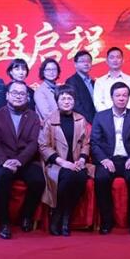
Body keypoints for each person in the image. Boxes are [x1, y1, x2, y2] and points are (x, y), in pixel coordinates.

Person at [0, 80, 45, 240]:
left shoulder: (33, 116)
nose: (18, 96)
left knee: (38, 180)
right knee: (1, 177)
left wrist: (19, 161)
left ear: (27, 97)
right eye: (15, 93)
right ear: (7, 95)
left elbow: (33, 143)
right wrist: (3, 161)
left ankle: (26, 215)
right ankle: (3, 221)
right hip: (4, 160)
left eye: (22, 93)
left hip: (26, 160)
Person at [91, 82, 130, 235]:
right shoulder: (100, 117)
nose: (121, 98)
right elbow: (95, 143)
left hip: (128, 159)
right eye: (118, 95)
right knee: (101, 178)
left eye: (124, 95)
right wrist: (104, 160)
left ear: (128, 98)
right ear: (112, 97)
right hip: (108, 159)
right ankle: (106, 221)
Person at [39, 85, 91, 236]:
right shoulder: (50, 120)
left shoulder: (81, 119)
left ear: (74, 101)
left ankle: (66, 216)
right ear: (57, 101)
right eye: (63, 98)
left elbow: (86, 144)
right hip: (56, 163)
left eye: (70, 98)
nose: (66, 101)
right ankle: (57, 214)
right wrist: (63, 162)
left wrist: (82, 159)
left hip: (76, 163)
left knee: (80, 176)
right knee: (67, 177)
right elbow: (43, 146)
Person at [93, 47, 130, 111]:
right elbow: (98, 103)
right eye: (112, 57)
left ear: (122, 60)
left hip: (126, 116)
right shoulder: (100, 81)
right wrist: (110, 115)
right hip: (105, 116)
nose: (115, 60)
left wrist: (120, 114)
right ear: (107, 61)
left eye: (118, 57)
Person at [65, 50, 96, 124]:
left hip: (96, 119)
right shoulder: (71, 81)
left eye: (88, 61)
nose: (86, 64)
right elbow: (76, 105)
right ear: (75, 64)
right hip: (82, 122)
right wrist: (92, 121)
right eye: (82, 61)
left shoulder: (94, 82)